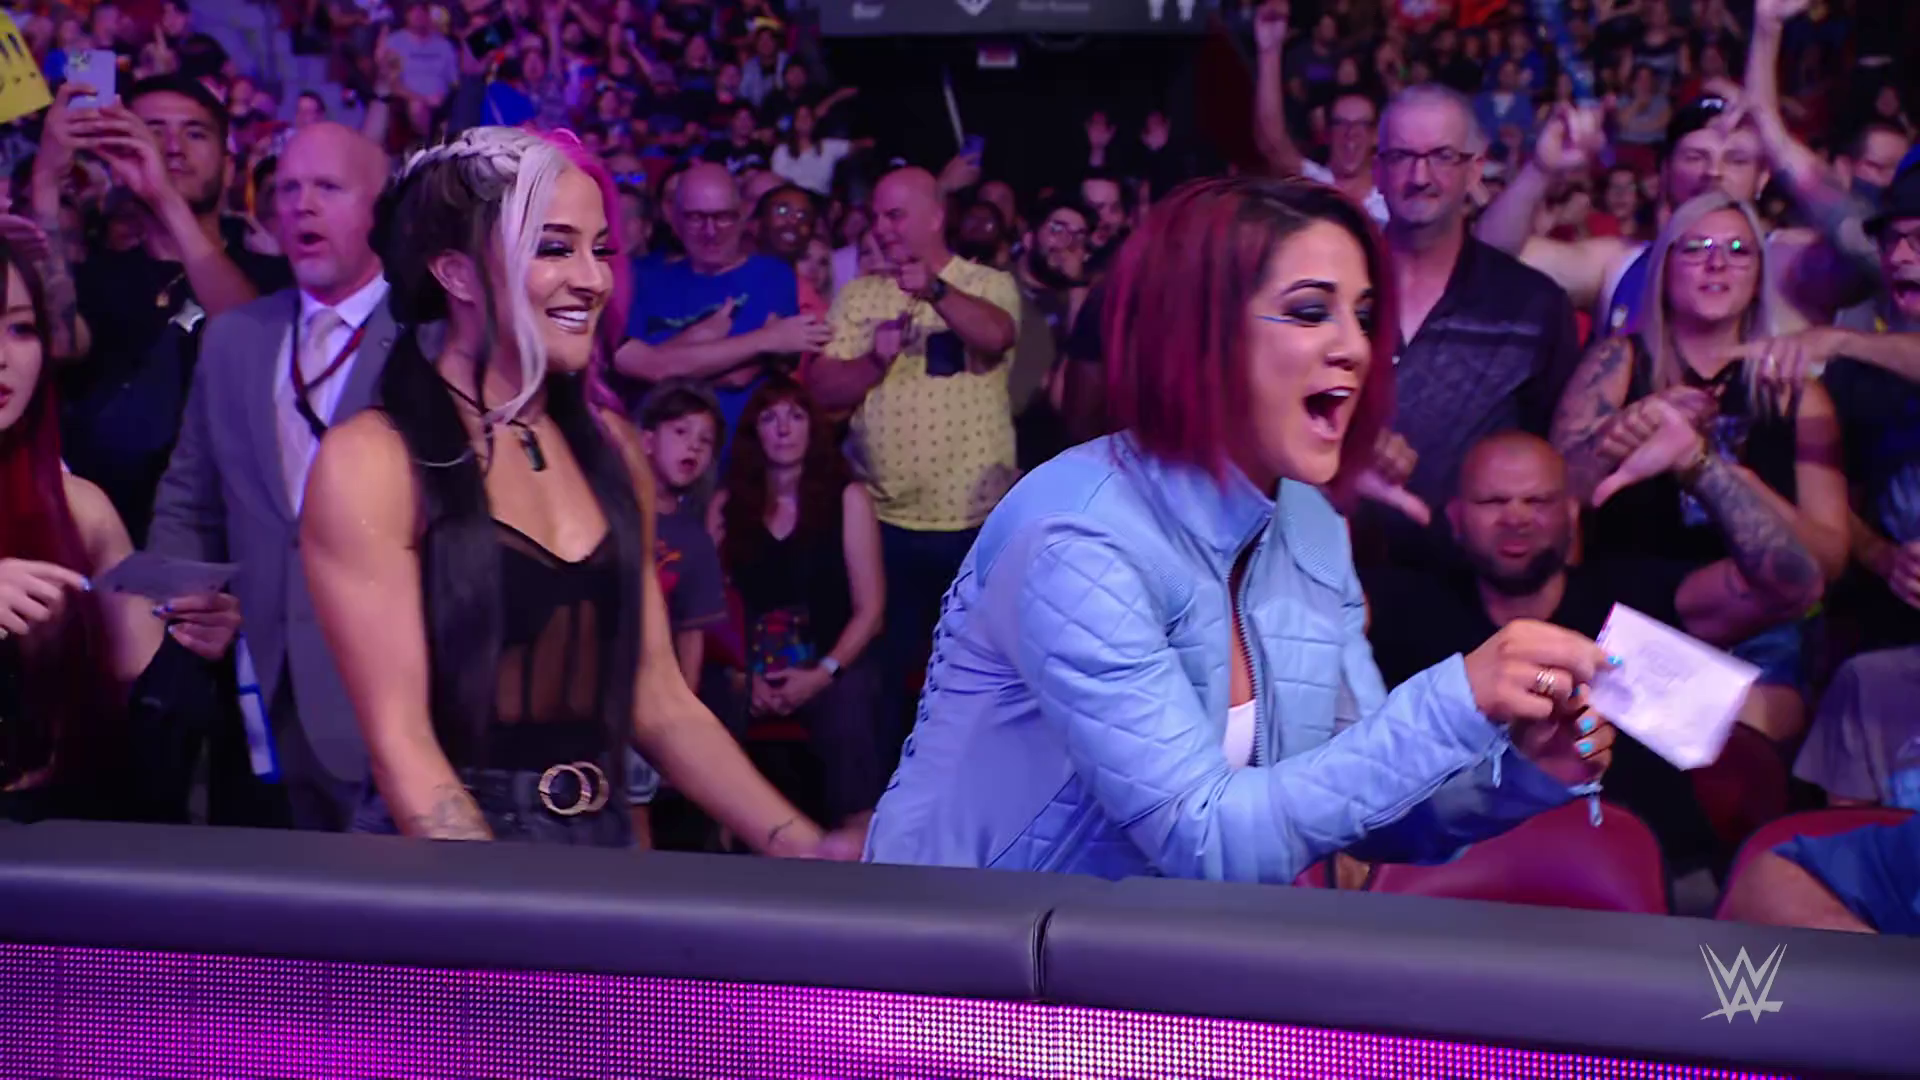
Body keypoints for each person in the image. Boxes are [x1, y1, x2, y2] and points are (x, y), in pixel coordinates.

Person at [863, 177, 1619, 880]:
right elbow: (1202, 836)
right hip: (968, 961)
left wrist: (1521, 773)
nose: (1356, 346)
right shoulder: (1078, 538)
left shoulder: (1310, 527)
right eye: (1311, 311)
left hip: (1138, 957)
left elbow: (1355, 798)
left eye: (1362, 316)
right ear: (1204, 334)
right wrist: (1456, 697)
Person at [301, 127, 846, 853]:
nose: (594, 279)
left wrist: (804, 846)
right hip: (448, 861)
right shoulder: (372, 461)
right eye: (556, 248)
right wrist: (500, 907)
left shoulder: (615, 449)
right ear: (457, 273)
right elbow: (403, 745)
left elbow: (660, 701)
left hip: (603, 840)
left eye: (601, 249)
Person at [1366, 431, 1822, 876]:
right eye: (1493, 502)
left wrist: (1696, 465)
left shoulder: (1635, 597)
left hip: (1657, 877)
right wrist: (1339, 493)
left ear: (1571, 513)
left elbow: (1792, 588)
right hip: (1457, 886)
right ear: (1456, 517)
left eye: (1538, 501)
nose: (1516, 517)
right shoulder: (1408, 606)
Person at [147, 122, 392, 832]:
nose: (301, 205)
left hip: (392, 701)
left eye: (327, 188)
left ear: (382, 209)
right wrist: (185, 603)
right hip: (260, 704)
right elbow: (189, 501)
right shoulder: (234, 338)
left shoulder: (433, 341)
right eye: (287, 189)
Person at [1551, 192, 1849, 743]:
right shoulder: (1619, 362)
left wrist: (1735, 479)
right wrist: (1629, 426)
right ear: (1665, 269)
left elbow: (1827, 562)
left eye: (1737, 251)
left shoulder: (1798, 394)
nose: (1717, 264)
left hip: (1758, 623)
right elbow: (1554, 494)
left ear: (1758, 276)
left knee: (1751, 737)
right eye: (1696, 249)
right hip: (1633, 614)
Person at [0, 241, 237, 823]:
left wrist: (198, 640)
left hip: (71, 840)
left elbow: (147, 712)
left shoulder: (81, 510)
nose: (3, 356)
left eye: (21, 329)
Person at [808, 165, 1022, 765]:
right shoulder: (860, 295)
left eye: (895, 214)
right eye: (876, 215)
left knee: (980, 680)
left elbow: (998, 336)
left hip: (974, 527)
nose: (881, 227)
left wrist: (934, 291)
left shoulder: (986, 284)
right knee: (882, 684)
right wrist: (873, 363)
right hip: (884, 524)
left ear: (935, 217)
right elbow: (821, 390)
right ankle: (882, 803)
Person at [1362, 83, 1582, 568]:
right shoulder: (1329, 287)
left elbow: (1559, 464)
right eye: (1401, 156)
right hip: (1328, 572)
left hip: (1474, 586)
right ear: (1377, 170)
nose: (1420, 176)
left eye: (1442, 156)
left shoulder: (1531, 304)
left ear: (1475, 170)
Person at [714, 376, 886, 827]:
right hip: (749, 664)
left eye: (796, 416)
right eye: (769, 419)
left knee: (851, 700)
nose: (784, 429)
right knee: (712, 694)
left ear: (813, 428)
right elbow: (709, 604)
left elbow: (870, 611)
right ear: (754, 433)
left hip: (829, 660)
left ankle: (855, 833)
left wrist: (821, 674)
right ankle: (721, 839)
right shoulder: (727, 503)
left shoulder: (849, 498)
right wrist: (742, 675)